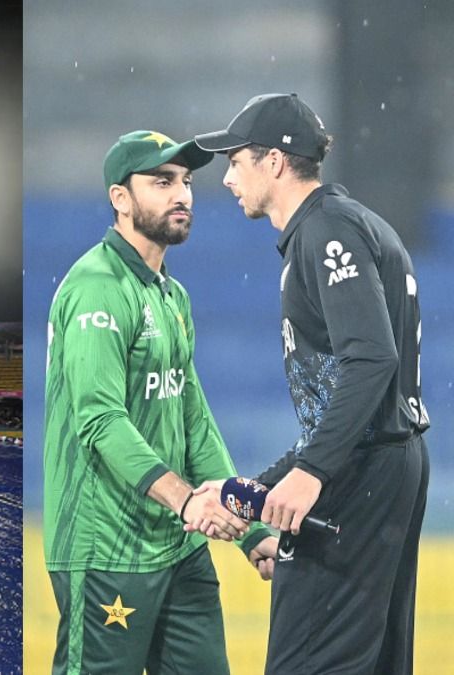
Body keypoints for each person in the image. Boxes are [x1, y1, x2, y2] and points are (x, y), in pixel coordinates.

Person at [195, 92, 430, 674]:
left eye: (236, 161)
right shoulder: (343, 224)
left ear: (274, 161)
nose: (228, 178)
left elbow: (371, 359)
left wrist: (311, 473)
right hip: (377, 464)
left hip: (362, 474)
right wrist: (250, 491)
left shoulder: (327, 229)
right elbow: (344, 405)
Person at [44, 130, 275, 675]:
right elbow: (101, 421)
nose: (182, 195)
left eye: (186, 182)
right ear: (120, 198)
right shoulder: (97, 289)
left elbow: (193, 420)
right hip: (107, 549)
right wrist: (187, 501)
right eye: (162, 182)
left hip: (178, 545)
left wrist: (251, 529)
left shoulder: (172, 295)